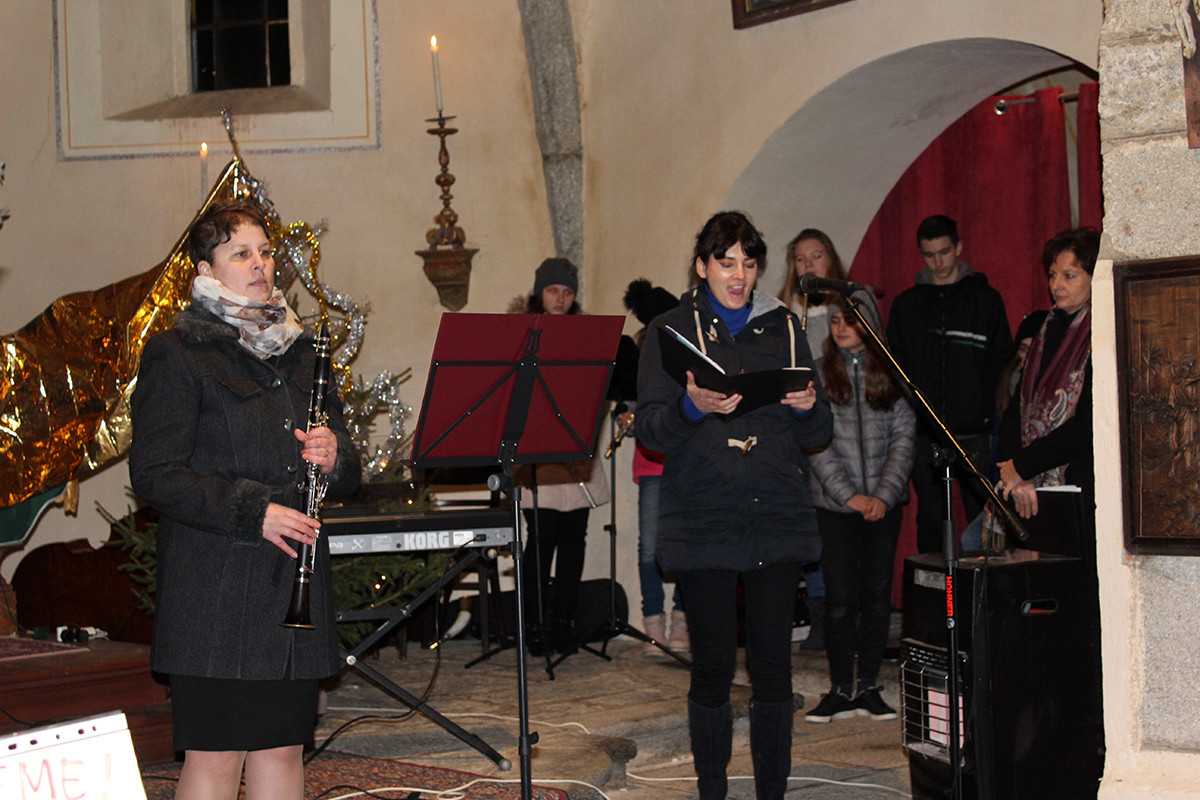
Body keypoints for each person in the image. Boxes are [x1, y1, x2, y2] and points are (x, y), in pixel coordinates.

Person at [130, 202, 361, 800]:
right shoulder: (179, 353)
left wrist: (335, 456)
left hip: (292, 583)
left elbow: (347, 468)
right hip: (217, 586)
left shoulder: (302, 353)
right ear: (205, 271)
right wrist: (253, 510)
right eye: (241, 253)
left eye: (265, 251)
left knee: (283, 749)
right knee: (216, 757)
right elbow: (155, 474)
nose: (260, 264)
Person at [637, 211, 833, 800]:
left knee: (773, 668)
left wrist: (807, 409)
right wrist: (691, 407)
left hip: (775, 511)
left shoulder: (785, 327)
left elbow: (819, 428)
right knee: (714, 668)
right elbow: (650, 430)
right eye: (726, 263)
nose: (739, 275)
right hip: (706, 517)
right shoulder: (670, 331)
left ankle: (772, 790)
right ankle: (713, 790)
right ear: (702, 266)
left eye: (749, 263)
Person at [803, 296, 916, 724]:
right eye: (834, 320)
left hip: (883, 506)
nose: (840, 327)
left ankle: (868, 684)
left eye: (849, 320)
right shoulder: (817, 372)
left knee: (876, 596)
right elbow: (815, 441)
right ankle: (839, 687)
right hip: (835, 506)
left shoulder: (892, 371)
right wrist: (848, 495)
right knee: (839, 598)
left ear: (869, 325)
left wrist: (883, 495)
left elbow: (904, 436)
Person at [777, 228, 882, 650]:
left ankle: (845, 617)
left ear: (831, 260)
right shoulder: (782, 313)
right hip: (796, 438)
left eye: (816, 256)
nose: (808, 265)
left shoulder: (851, 305)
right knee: (808, 530)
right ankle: (816, 614)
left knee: (838, 535)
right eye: (801, 259)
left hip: (846, 438)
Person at [885, 214, 1013, 554]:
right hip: (925, 431)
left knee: (982, 518)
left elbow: (1002, 361)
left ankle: (982, 588)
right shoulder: (907, 305)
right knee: (931, 520)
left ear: (958, 248)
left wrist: (985, 407)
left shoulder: (985, 300)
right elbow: (894, 366)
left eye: (944, 252)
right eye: (929, 255)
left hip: (975, 430)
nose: (938, 262)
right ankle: (938, 587)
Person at [515, 257, 610, 654]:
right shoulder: (523, 335)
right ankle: (534, 625)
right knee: (540, 543)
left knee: (575, 542)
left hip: (575, 459)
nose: (560, 299)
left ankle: (563, 623)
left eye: (567, 292)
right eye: (553, 290)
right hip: (538, 460)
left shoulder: (585, 337)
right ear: (539, 293)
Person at [997, 228, 1098, 543]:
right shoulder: (1044, 329)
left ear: (1094, 278)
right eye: (1053, 275)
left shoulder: (1103, 333)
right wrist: (1016, 474)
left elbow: (1089, 423)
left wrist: (1023, 465)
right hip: (1028, 486)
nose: (1057, 285)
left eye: (1070, 276)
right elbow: (1016, 409)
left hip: (1079, 484)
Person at [619, 279, 687, 656]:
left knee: (687, 543)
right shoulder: (641, 358)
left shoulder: (688, 351)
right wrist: (625, 417)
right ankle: (653, 623)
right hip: (651, 466)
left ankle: (682, 619)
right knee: (650, 547)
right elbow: (630, 407)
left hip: (688, 464)